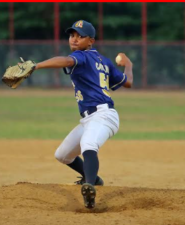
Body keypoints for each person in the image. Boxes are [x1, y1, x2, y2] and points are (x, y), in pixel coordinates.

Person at [34, 20, 134, 209]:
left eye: (80, 36)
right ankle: (94, 179)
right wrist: (128, 64)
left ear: (91, 41)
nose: (74, 38)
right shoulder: (104, 61)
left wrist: (36, 66)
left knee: (89, 145)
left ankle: (89, 185)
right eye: (72, 35)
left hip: (104, 115)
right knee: (62, 155)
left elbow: (66, 60)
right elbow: (127, 81)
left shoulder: (82, 56)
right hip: (89, 119)